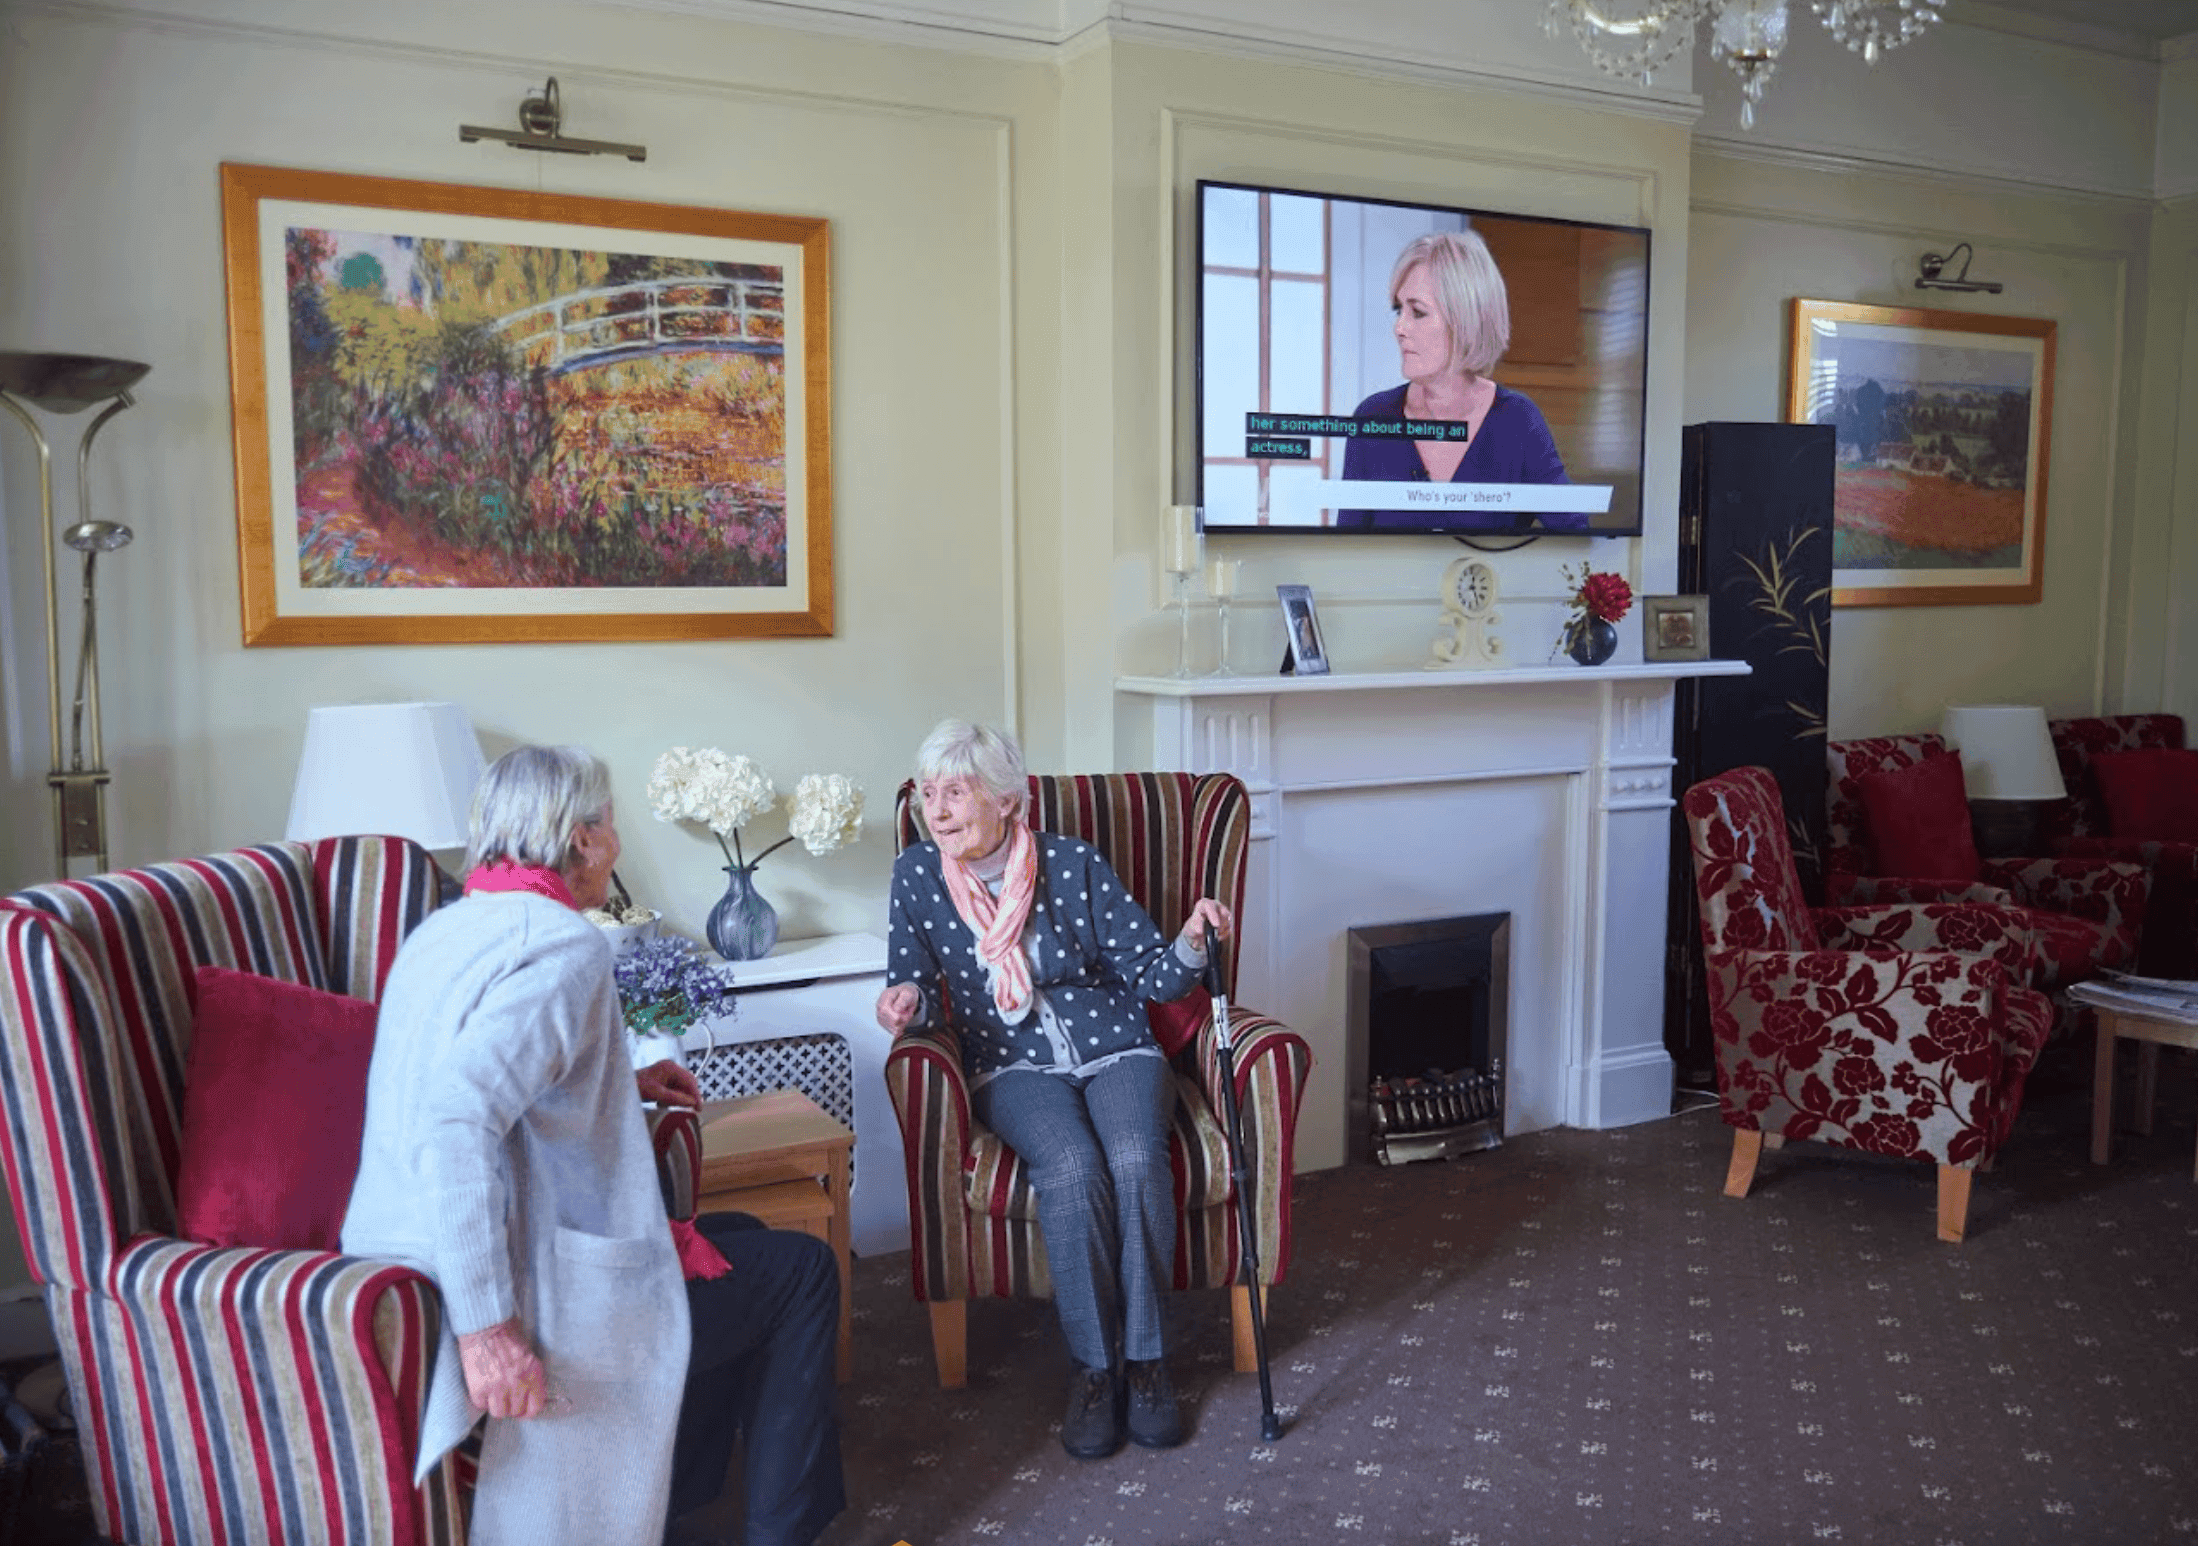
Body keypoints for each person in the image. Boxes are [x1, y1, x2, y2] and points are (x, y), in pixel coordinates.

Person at [342, 744, 843, 1546]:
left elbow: (481, 1076)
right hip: (509, 1294)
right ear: (580, 840)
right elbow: (457, 1117)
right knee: (803, 1272)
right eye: (610, 825)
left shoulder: (443, 932)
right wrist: (490, 1334)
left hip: (399, 1268)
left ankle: (677, 1497)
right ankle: (781, 1532)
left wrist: (618, 1084)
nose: (617, 841)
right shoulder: (564, 946)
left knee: (744, 1240)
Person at [874, 721, 1232, 1461]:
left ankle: (1148, 1363)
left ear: (1008, 800)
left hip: (1118, 1049)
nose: (937, 811)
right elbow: (919, 990)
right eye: (930, 794)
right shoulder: (918, 875)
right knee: (1070, 1169)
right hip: (1010, 1063)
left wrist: (1194, 937)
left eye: (956, 793)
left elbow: (1153, 977)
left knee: (1136, 1155)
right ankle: (1097, 1371)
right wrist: (903, 1002)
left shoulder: (1073, 865)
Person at [1335, 228, 1581, 531]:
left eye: (1418, 312)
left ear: (1465, 319)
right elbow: (1346, 551)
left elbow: (1575, 536)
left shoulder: (1518, 420)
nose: (1399, 328)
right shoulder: (1372, 418)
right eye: (1399, 310)